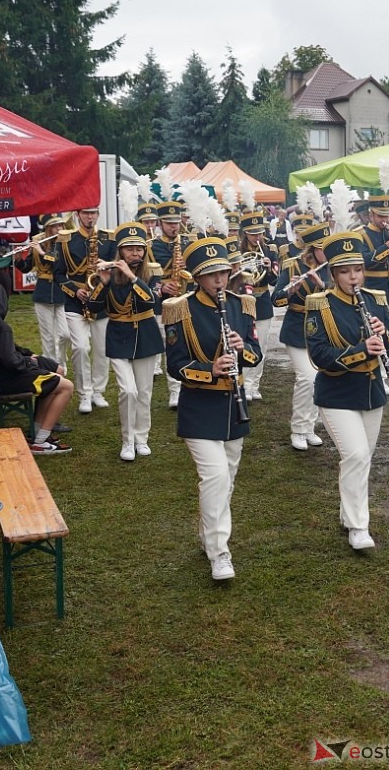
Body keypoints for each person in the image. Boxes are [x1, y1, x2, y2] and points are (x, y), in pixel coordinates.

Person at [164, 236, 262, 580]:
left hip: (234, 406)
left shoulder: (243, 305)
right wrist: (210, 370)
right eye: (211, 274)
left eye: (222, 272)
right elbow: (175, 364)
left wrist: (242, 349)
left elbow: (255, 355)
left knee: (226, 479)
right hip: (199, 405)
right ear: (197, 277)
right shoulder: (180, 308)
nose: (219, 280)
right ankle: (220, 552)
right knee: (216, 476)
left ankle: (208, 535)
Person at [306, 228, 389, 551]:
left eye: (358, 270)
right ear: (333, 274)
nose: (353, 277)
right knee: (356, 455)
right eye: (346, 271)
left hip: (371, 390)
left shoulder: (375, 300)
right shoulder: (320, 305)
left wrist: (384, 336)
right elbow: (320, 356)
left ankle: (348, 514)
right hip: (336, 393)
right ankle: (358, 526)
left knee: (361, 459)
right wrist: (363, 350)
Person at [0, 280, 75, 456]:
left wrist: (27, 357)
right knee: (66, 386)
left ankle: (37, 432)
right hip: (8, 379)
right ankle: (40, 443)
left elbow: (6, 354)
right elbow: (11, 362)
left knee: (54, 373)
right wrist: (29, 363)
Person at [88, 223, 163, 462]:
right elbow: (92, 307)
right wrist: (103, 282)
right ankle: (127, 441)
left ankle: (142, 438)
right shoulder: (110, 274)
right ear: (120, 251)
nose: (135, 253)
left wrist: (132, 278)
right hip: (118, 336)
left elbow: (150, 302)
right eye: (129, 249)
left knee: (144, 392)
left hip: (146, 336)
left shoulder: (153, 272)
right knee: (128, 390)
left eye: (139, 249)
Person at [272, 219, 332, 451]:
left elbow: (338, 297)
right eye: (322, 249)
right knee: (306, 378)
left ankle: (309, 427)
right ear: (312, 249)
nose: (327, 253)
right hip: (296, 328)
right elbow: (276, 299)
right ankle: (297, 429)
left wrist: (322, 285)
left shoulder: (333, 266)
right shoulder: (292, 265)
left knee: (319, 378)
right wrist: (291, 291)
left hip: (322, 330)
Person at [54, 204, 114, 414]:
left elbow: (116, 269)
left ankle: (98, 391)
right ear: (78, 215)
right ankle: (84, 394)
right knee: (80, 348)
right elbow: (58, 274)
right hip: (75, 302)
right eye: (86, 213)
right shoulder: (66, 240)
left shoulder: (109, 238)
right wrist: (74, 291)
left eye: (93, 213)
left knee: (102, 349)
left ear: (98, 214)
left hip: (101, 300)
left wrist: (107, 266)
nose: (90, 217)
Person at [16, 214, 70, 368]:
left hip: (62, 291)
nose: (58, 229)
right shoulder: (38, 241)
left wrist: (41, 252)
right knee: (48, 336)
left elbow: (58, 263)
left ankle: (61, 358)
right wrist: (19, 259)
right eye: (55, 226)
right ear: (48, 229)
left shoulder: (66, 243)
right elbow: (26, 268)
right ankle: (52, 366)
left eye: (60, 225)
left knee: (66, 334)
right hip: (43, 291)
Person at [152, 201, 191, 409]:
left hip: (187, 300)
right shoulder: (152, 246)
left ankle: (189, 385)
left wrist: (189, 263)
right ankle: (174, 390)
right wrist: (162, 285)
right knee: (171, 344)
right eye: (169, 223)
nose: (174, 227)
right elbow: (148, 275)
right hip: (163, 303)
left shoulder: (188, 243)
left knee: (189, 344)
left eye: (176, 222)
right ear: (160, 223)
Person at [238, 204, 277, 402]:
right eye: (253, 234)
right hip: (242, 301)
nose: (257, 237)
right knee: (243, 342)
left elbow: (274, 281)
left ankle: (254, 385)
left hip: (262, 301)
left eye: (259, 233)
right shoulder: (237, 251)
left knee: (261, 344)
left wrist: (269, 269)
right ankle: (244, 383)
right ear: (245, 233)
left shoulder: (269, 250)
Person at [357, 194, 389, 327]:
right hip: (374, 290)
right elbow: (364, 261)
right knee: (376, 328)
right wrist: (387, 247)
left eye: (387, 216)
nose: (384, 220)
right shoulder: (361, 234)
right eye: (380, 216)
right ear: (371, 216)